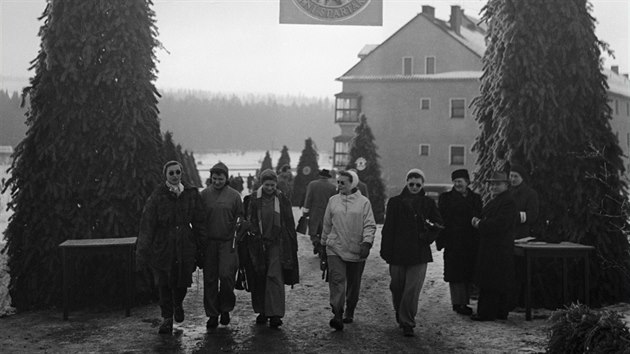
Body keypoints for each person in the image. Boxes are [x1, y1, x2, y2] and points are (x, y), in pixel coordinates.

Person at [136, 160, 208, 334]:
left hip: (185, 244)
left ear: (181, 173)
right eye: (171, 173)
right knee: (164, 282)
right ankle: (167, 318)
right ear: (165, 175)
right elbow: (148, 225)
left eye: (177, 172)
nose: (175, 176)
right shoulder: (157, 196)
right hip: (163, 245)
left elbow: (199, 221)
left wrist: (202, 245)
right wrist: (143, 250)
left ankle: (178, 304)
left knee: (182, 280)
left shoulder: (190, 194)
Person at [380, 169, 443, 337]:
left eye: (418, 184)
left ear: (422, 185)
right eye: (411, 184)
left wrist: (426, 237)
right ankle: (399, 311)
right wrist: (385, 250)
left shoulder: (428, 203)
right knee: (397, 286)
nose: (414, 187)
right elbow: (388, 228)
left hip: (419, 252)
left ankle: (408, 321)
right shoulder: (395, 202)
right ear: (406, 183)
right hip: (397, 251)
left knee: (412, 289)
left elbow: (439, 224)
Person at [321, 170, 376, 331]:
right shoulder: (333, 201)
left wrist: (366, 243)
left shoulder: (364, 203)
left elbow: (369, 225)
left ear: (352, 184)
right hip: (335, 248)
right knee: (337, 281)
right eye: (338, 182)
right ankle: (337, 313)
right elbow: (327, 224)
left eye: (342, 183)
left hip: (356, 249)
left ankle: (350, 309)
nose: (339, 185)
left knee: (353, 284)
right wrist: (323, 245)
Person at [245, 169, 299, 328]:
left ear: (276, 184)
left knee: (275, 277)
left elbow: (289, 222)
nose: (270, 188)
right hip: (258, 244)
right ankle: (262, 311)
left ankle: (275, 314)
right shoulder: (253, 199)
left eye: (272, 185)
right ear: (262, 184)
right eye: (267, 185)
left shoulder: (282, 199)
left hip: (277, 243)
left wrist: (292, 243)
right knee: (259, 277)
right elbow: (249, 220)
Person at [200, 162, 243, 328]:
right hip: (209, 243)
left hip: (228, 242)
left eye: (221, 178)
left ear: (226, 178)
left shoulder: (234, 196)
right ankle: (212, 314)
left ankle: (225, 307)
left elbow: (240, 215)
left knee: (226, 276)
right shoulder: (204, 195)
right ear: (211, 178)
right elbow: (198, 218)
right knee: (210, 279)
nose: (217, 181)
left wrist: (239, 227)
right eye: (215, 178)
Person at [470, 171, 517, 321]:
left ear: (506, 185)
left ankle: (487, 313)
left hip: (498, 247)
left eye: (498, 184)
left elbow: (500, 224)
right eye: (492, 184)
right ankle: (498, 312)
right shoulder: (498, 200)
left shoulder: (508, 201)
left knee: (491, 281)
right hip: (493, 246)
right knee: (494, 281)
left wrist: (480, 224)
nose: (494, 187)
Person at [437, 169, 482, 316]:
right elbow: (441, 218)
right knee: (455, 273)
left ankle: (465, 301)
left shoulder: (475, 198)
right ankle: (457, 302)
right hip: (453, 241)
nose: (457, 184)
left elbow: (479, 215)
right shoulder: (446, 198)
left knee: (468, 272)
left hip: (470, 241)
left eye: (460, 181)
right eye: (455, 181)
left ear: (467, 182)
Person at [302, 169, 337, 255]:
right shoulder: (332, 187)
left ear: (320, 176)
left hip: (314, 212)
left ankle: (316, 243)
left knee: (313, 232)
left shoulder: (312, 184)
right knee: (324, 232)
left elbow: (308, 199)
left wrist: (306, 211)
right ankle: (321, 247)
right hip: (327, 213)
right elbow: (334, 202)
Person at [509, 164, 539, 240]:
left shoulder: (531, 194)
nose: (512, 179)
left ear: (522, 177)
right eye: (511, 176)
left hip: (521, 236)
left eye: (516, 176)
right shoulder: (507, 192)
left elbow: (532, 215)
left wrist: (514, 216)